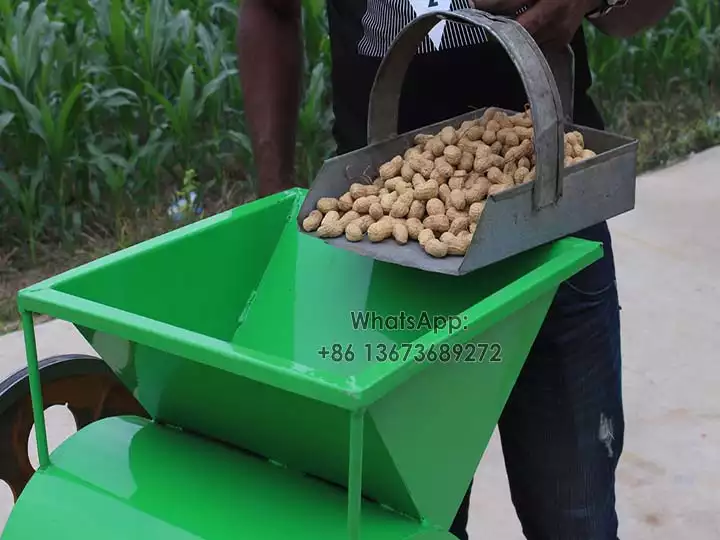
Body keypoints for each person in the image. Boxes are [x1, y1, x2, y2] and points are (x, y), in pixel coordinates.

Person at [236, 1, 675, 538]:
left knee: (574, 517)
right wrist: (274, 196)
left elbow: (640, 13)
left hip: (551, 220)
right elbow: (269, 10)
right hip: (387, 240)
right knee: (407, 521)